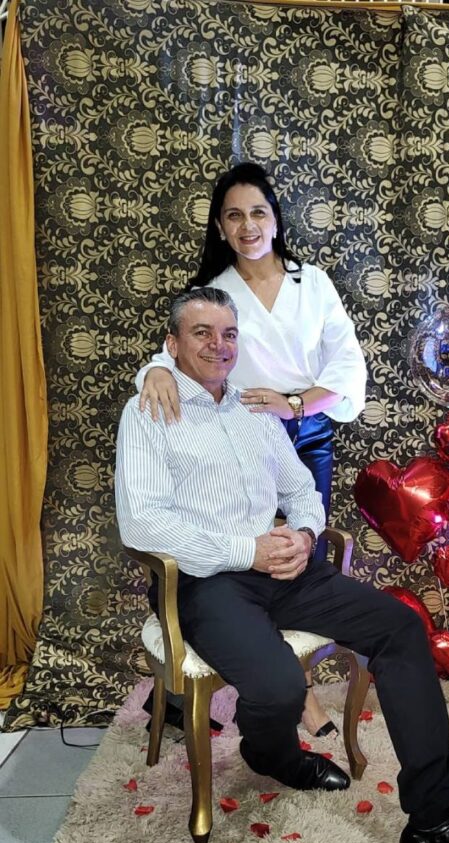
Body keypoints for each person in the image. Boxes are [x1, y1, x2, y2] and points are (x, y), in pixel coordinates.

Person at [115, 288, 449, 843]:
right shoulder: (148, 410)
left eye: (229, 334)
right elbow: (142, 522)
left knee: (399, 627)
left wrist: (304, 535)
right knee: (277, 686)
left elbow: (300, 489)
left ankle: (435, 822)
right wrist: (248, 550)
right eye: (201, 333)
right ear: (173, 343)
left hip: (284, 568)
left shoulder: (253, 409)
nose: (219, 345)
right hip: (208, 581)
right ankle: (273, 755)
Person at [135, 161, 367, 738]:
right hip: (238, 427)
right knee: (223, 554)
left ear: (276, 219)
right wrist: (153, 372)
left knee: (298, 550)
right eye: (234, 216)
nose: (248, 226)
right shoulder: (215, 290)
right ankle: (275, 692)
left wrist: (295, 404)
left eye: (258, 212)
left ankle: (286, 686)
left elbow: (345, 365)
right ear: (219, 226)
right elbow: (176, 352)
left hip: (305, 429)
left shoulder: (312, 283)